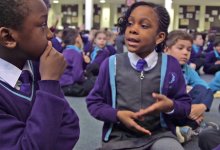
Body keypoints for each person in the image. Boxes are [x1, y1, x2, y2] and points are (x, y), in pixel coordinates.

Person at [86, 2, 191, 150]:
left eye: (144, 26)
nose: (133, 30)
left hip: (159, 135)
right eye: (130, 23)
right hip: (120, 137)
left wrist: (170, 106)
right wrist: (117, 115)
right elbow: (94, 103)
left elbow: (185, 105)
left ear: (159, 37)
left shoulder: (171, 65)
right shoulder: (111, 64)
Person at [0, 0, 80, 149]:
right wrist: (49, 83)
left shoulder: (38, 67)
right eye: (43, 25)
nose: (50, 34)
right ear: (8, 38)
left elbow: (71, 127)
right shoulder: (46, 75)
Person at [164, 30, 215, 143]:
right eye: (180, 48)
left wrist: (202, 106)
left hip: (183, 110)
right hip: (168, 110)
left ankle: (186, 127)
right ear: (166, 49)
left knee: (201, 89)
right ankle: (188, 126)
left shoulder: (187, 69)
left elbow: (207, 89)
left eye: (189, 49)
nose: (185, 53)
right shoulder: (161, 67)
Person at [60, 28, 95, 96]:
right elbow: (78, 76)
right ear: (77, 39)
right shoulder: (76, 53)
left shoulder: (65, 51)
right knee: (95, 80)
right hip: (70, 86)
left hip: (62, 85)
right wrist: (84, 78)